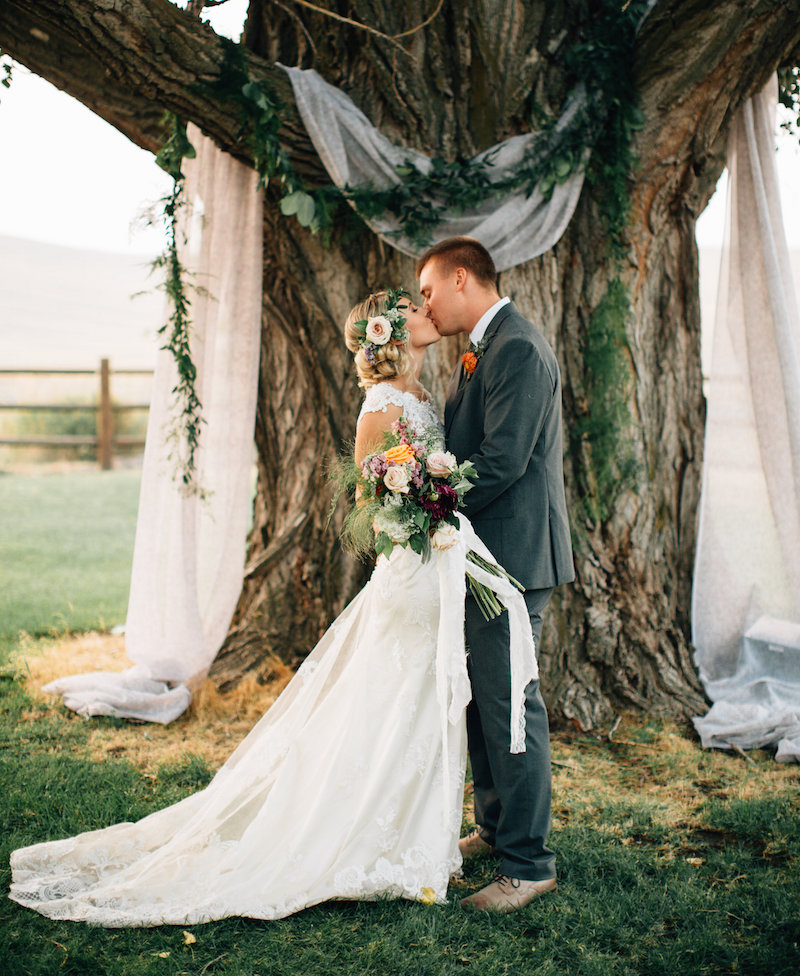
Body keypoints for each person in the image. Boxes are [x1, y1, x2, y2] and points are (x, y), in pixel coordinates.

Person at [8, 290, 533, 926]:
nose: (427, 310)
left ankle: (411, 835)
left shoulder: (425, 395)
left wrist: (437, 504)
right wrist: (422, 509)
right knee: (391, 701)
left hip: (439, 569)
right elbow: (372, 504)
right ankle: (362, 835)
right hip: (412, 569)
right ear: (394, 331)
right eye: (412, 306)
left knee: (423, 702)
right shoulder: (382, 405)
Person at [417, 237, 575, 912]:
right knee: (484, 700)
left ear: (460, 279)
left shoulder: (516, 348)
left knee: (512, 707)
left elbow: (503, 460)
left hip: (510, 561)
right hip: (483, 557)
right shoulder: (479, 351)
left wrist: (431, 505)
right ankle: (495, 825)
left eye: (427, 291)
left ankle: (529, 865)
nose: (423, 303)